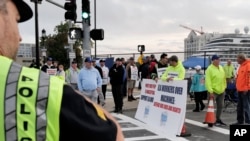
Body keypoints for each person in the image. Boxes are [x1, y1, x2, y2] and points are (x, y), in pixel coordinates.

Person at [0, 1, 124, 140]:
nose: (20, 37)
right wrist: (77, 95)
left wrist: (96, 89)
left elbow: (99, 79)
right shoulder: (47, 89)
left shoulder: (95, 71)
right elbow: (114, 135)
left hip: (93, 91)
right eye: (16, 21)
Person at [205, 55, 227, 126]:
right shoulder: (209, 69)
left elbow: (223, 78)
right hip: (213, 91)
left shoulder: (221, 67)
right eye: (217, 59)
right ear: (213, 60)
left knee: (220, 105)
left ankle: (218, 119)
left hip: (221, 90)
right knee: (211, 106)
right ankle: (210, 121)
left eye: (219, 59)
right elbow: (208, 81)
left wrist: (224, 87)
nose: (219, 61)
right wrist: (210, 91)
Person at [232, 53, 250, 125]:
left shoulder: (248, 65)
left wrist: (247, 87)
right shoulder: (241, 66)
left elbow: (248, 78)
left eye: (237, 58)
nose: (236, 60)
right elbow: (240, 77)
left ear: (241, 59)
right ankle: (240, 121)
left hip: (245, 90)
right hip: (240, 89)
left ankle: (248, 121)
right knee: (240, 106)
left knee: (246, 106)